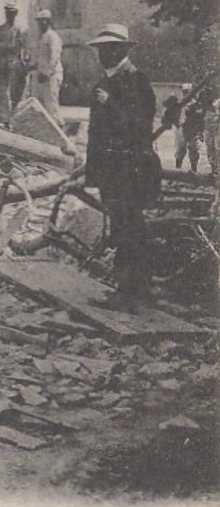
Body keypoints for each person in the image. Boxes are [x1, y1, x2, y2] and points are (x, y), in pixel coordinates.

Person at [85, 23, 160, 312]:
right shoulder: (105, 82)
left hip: (131, 170)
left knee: (130, 229)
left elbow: (141, 124)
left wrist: (111, 104)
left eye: (108, 49)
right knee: (123, 228)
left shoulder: (135, 79)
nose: (102, 55)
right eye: (100, 49)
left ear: (122, 50)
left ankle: (131, 294)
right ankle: (135, 290)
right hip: (112, 172)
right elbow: (96, 134)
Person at [0, 1, 28, 125]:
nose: (10, 15)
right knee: (1, 92)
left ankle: (16, 119)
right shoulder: (0, 30)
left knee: (16, 93)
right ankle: (4, 119)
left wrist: (24, 63)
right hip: (2, 63)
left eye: (12, 13)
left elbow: (24, 48)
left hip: (15, 63)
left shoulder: (20, 30)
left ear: (16, 14)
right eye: (8, 13)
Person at [33, 8, 64, 128]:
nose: (40, 24)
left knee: (51, 105)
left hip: (51, 76)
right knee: (41, 105)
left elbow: (54, 57)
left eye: (43, 21)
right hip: (41, 75)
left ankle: (59, 129)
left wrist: (46, 73)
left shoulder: (53, 37)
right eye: (39, 21)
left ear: (48, 21)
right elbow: (40, 57)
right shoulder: (41, 37)